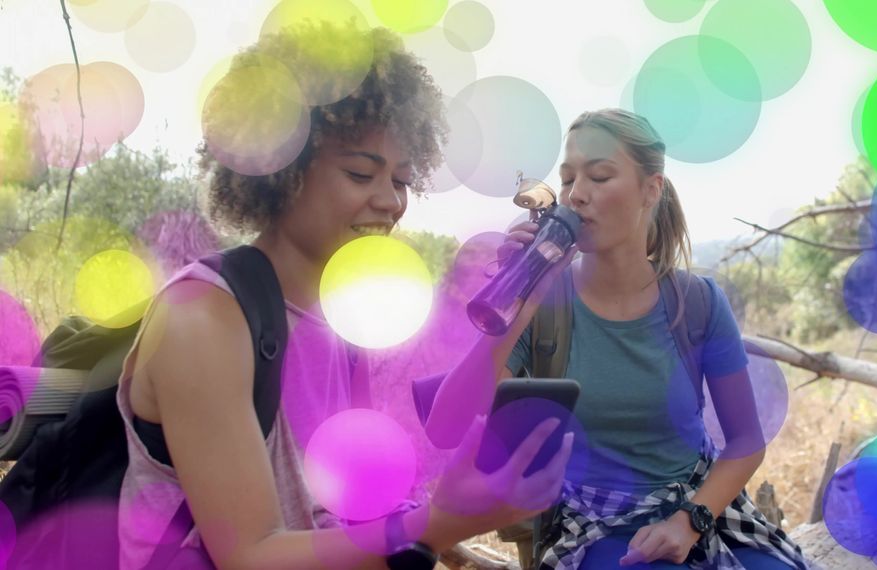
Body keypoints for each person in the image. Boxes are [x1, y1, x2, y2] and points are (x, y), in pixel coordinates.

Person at [116, 25, 571, 570]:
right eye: (360, 173)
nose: (389, 202)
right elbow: (250, 556)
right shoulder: (205, 318)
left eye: (402, 181)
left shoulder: (340, 323)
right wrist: (443, 521)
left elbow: (349, 506)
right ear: (279, 164)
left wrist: (452, 540)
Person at [424, 109, 809, 569]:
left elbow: (746, 439)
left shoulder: (698, 303)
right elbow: (445, 427)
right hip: (593, 523)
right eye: (567, 180)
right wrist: (519, 298)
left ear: (652, 189)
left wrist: (689, 521)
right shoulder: (545, 309)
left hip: (698, 508)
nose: (578, 195)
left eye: (600, 176)